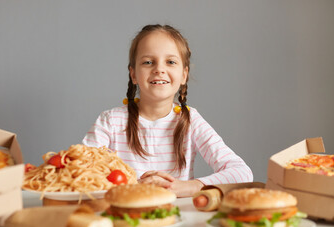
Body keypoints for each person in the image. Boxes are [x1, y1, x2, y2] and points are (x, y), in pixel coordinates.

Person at [83, 24, 253, 197]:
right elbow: (81, 172)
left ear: (183, 75)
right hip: (122, 214)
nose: (159, 69)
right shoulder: (111, 121)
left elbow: (242, 172)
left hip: (179, 216)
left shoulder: (190, 120)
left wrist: (191, 186)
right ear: (133, 74)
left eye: (170, 62)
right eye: (148, 62)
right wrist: (133, 186)